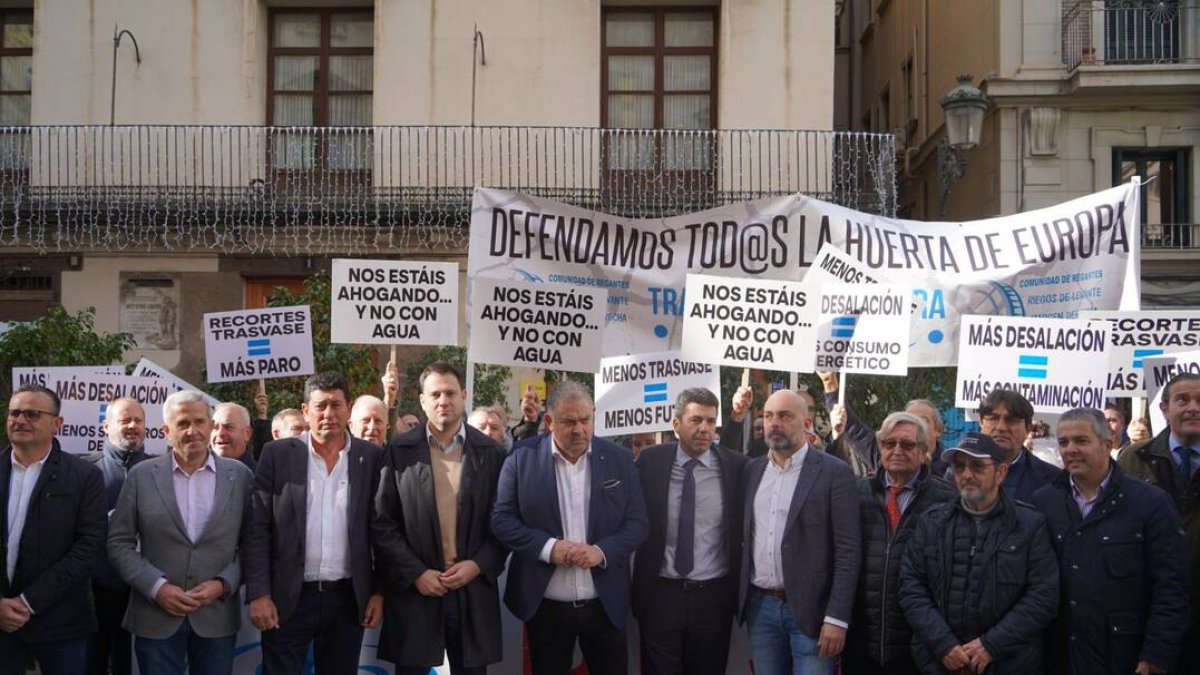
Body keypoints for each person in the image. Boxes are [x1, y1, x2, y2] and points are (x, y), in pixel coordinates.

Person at [492, 381, 649, 675]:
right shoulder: (521, 458)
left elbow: (638, 523)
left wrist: (601, 552)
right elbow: (502, 520)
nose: (579, 429)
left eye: (585, 420)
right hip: (545, 606)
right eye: (569, 421)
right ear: (549, 421)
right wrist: (549, 548)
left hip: (605, 604)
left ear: (594, 415)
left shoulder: (619, 459)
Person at [244, 372, 383, 675]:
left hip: (347, 599)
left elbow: (382, 530)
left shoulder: (371, 457)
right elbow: (257, 529)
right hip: (287, 598)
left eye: (336, 405)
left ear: (348, 410)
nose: (328, 414)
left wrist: (378, 591)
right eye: (320, 406)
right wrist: (259, 594)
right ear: (306, 411)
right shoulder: (277, 455)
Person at [1031, 407, 1188, 675]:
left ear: (1108, 445)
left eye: (1081, 440)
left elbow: (1172, 586)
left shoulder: (1150, 503)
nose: (1070, 449)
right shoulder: (1044, 502)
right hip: (1060, 656)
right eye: (1063, 442)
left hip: (1125, 656)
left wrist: (1157, 654)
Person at [374, 362, 507, 675]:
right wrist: (416, 572)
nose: (443, 400)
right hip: (416, 594)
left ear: (463, 395)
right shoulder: (398, 452)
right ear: (422, 401)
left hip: (472, 593)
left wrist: (477, 565)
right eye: (435, 394)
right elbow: (382, 524)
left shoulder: (491, 453)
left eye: (450, 393)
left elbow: (504, 523)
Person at [107, 390, 253, 675]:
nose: (192, 431)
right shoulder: (142, 475)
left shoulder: (240, 476)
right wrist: (156, 587)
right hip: (155, 615)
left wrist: (224, 584)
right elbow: (118, 543)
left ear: (211, 426)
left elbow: (253, 544)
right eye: (183, 423)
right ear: (166, 430)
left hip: (217, 618)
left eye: (199, 422)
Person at [898, 432, 1059, 675]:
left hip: (1007, 663)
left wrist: (990, 645)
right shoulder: (933, 522)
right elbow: (911, 585)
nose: (967, 475)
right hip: (938, 663)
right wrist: (944, 644)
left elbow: (1043, 596)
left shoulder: (1029, 525)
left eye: (977, 466)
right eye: (960, 467)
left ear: (1001, 473)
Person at [739, 389, 860, 675]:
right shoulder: (751, 471)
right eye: (768, 416)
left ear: (806, 423)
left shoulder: (835, 473)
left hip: (814, 613)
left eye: (784, 415)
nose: (774, 423)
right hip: (760, 609)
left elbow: (848, 550)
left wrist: (837, 617)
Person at [633, 388, 747, 675]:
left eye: (711, 421)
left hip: (714, 597)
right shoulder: (650, 462)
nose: (704, 429)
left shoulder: (735, 466)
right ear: (676, 425)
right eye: (696, 420)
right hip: (661, 595)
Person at [1, 385, 106, 675]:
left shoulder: (85, 477)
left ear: (57, 424)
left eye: (32, 414)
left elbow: (88, 549)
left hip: (63, 623)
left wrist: (28, 602)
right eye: (14, 413)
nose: (20, 420)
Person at [843, 412, 956, 675]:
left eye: (907, 445)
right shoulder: (855, 493)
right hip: (861, 642)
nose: (896, 450)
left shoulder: (947, 500)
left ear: (925, 451)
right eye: (888, 443)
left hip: (917, 647)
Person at [1119, 371, 1200, 673]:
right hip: (1149, 609)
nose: (1193, 407)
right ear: (1165, 409)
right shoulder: (1133, 458)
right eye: (1182, 400)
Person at [86, 397, 151, 675]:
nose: (133, 426)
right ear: (106, 426)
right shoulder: (85, 471)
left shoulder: (160, 470)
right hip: (95, 595)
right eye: (125, 420)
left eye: (138, 420)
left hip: (145, 594)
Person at [976, 388, 1061, 502]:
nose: (1001, 427)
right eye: (993, 418)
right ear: (981, 423)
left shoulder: (1053, 479)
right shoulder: (957, 472)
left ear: (1028, 428)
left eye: (1011, 420)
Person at [211, 401, 257, 471]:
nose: (220, 433)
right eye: (215, 428)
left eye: (228, 427)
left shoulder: (259, 477)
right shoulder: (196, 471)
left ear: (247, 433)